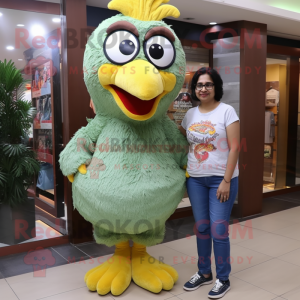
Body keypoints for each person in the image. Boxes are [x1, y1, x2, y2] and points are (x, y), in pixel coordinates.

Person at [179, 67, 240, 299]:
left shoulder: (227, 112)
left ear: (216, 87)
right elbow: (182, 138)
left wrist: (226, 180)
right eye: (199, 85)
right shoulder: (190, 115)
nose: (203, 88)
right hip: (195, 179)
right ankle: (204, 273)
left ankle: (223, 278)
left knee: (218, 229)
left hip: (221, 181)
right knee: (202, 228)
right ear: (194, 89)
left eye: (208, 84)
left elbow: (235, 147)